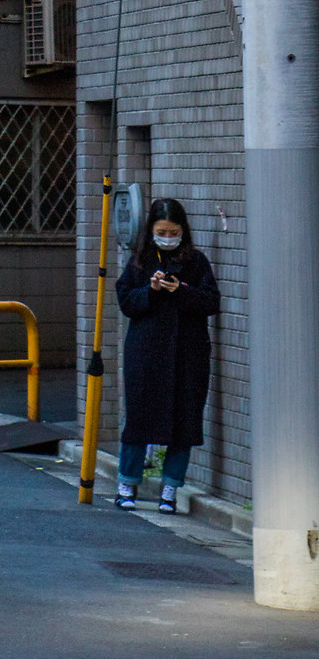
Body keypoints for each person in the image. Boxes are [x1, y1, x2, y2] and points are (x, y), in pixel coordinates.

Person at [115, 197, 220, 511]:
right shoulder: (139, 261)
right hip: (146, 353)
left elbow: (211, 302)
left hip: (188, 354)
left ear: (183, 231)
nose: (168, 237)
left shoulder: (196, 262)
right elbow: (126, 301)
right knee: (138, 419)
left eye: (174, 232)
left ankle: (170, 490)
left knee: (184, 422)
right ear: (152, 230)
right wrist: (150, 290)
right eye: (162, 231)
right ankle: (126, 485)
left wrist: (182, 290)